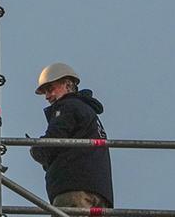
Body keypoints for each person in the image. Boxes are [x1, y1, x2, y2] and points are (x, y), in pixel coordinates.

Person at [29, 62, 114, 210]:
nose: (47, 97)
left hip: (74, 188)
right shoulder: (88, 112)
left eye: (50, 89)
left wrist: (36, 149)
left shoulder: (67, 106)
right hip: (100, 194)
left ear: (67, 85)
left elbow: (54, 141)